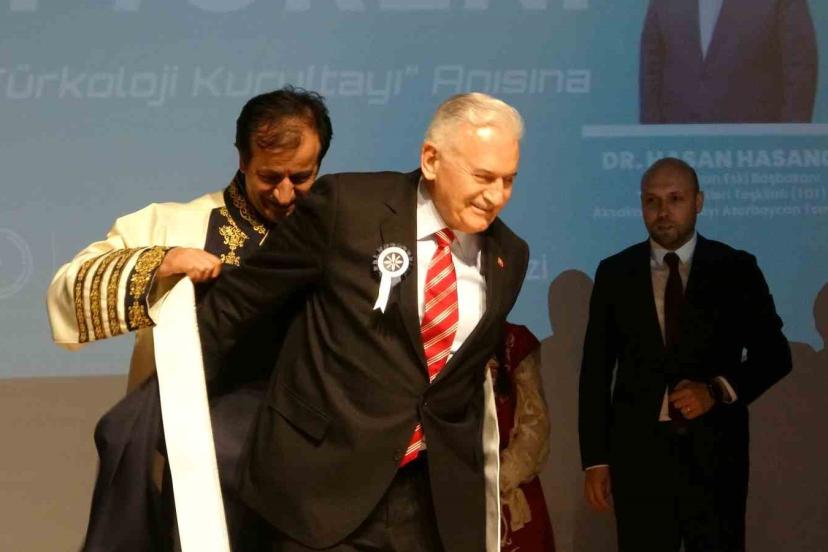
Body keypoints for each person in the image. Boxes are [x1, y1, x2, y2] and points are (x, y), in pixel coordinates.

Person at [197, 92, 529, 552]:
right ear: (431, 160)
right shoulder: (348, 207)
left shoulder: (510, 255)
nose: (497, 196)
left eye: (509, 180)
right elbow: (239, 303)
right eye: (483, 177)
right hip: (318, 490)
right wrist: (174, 404)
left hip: (432, 505)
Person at [45, 86, 333, 551]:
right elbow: (67, 290)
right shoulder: (172, 225)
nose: (284, 194)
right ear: (243, 160)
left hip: (305, 480)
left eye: (301, 177)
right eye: (269, 176)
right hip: (190, 472)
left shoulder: (340, 235)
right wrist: (160, 262)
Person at [578, 157, 792, 551]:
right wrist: (595, 460)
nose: (663, 211)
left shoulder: (736, 268)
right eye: (652, 201)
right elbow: (595, 373)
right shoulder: (615, 272)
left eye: (675, 199)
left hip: (715, 458)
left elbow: (775, 355)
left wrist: (716, 390)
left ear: (699, 202)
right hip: (639, 460)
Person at [639, 0, 818, 123]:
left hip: (755, 150)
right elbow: (651, 69)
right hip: (679, 148)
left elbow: (799, 70)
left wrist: (790, 141)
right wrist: (653, 139)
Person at [487, 322, 556, 552]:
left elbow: (535, 421)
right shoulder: (441, 343)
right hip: (459, 487)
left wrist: (501, 476)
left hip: (509, 485)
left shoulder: (514, 341)